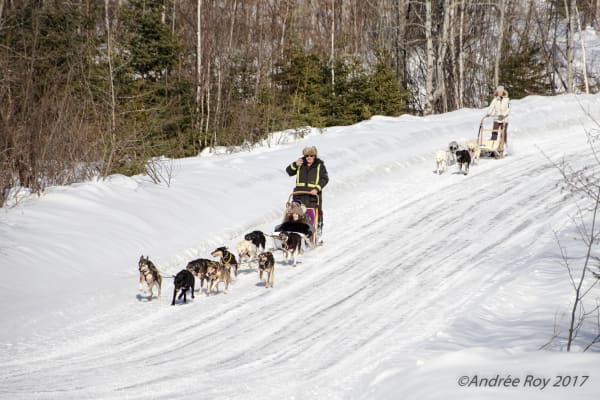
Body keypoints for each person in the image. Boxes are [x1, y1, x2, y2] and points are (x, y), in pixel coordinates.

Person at [285, 146, 329, 236]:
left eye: (311, 155)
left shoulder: (319, 166)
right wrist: (295, 164)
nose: (309, 157)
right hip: (299, 195)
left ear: (315, 156)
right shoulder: (300, 163)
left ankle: (316, 232)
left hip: (312, 196)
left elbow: (325, 178)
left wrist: (316, 188)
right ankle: (295, 233)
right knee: (296, 214)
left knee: (313, 214)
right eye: (307, 155)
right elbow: (289, 171)